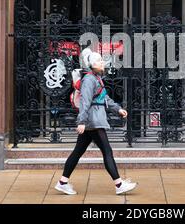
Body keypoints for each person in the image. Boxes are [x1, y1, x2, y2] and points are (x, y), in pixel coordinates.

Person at [55, 49, 138, 195]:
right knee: (107, 151)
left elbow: (104, 98)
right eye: (99, 61)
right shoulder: (89, 80)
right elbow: (85, 102)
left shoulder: (96, 78)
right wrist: (82, 121)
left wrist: (117, 109)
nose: (102, 63)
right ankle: (119, 185)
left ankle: (62, 182)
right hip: (93, 121)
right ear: (92, 65)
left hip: (92, 120)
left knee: (77, 152)